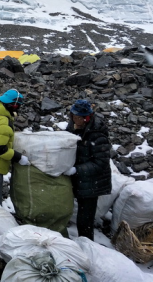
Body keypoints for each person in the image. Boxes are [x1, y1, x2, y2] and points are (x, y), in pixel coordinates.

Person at [64, 99, 111, 241]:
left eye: (78, 118)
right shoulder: (73, 126)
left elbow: (100, 163)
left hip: (92, 182)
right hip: (79, 177)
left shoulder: (97, 134)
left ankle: (87, 245)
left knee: (85, 220)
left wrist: (76, 170)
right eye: (73, 116)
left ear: (86, 118)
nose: (74, 120)